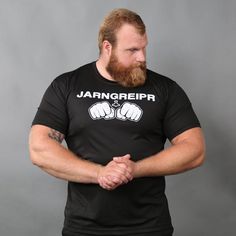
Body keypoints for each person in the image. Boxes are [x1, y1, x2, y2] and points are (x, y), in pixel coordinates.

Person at [29, 8, 205, 236]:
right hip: (84, 227)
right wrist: (99, 173)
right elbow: (39, 148)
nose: (142, 57)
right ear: (107, 47)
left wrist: (135, 169)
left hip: (150, 227)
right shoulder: (67, 86)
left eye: (144, 48)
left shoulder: (165, 89)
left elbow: (195, 149)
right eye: (132, 50)